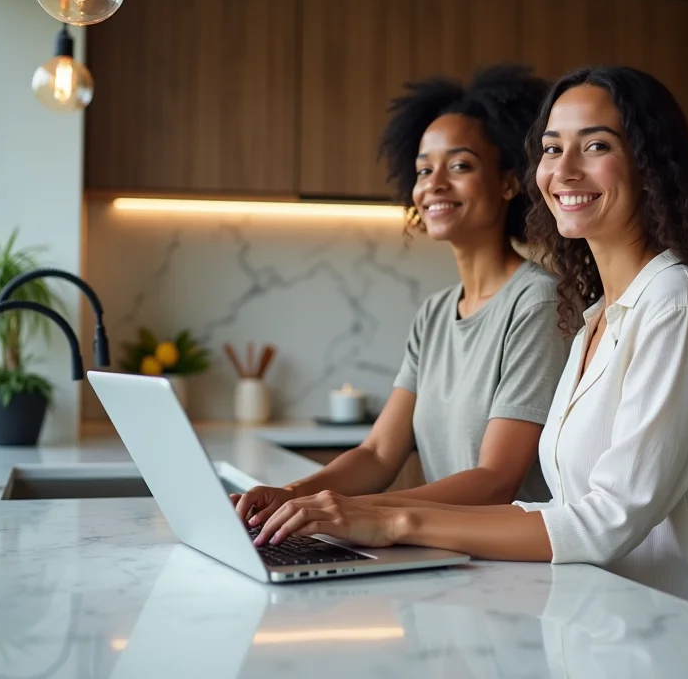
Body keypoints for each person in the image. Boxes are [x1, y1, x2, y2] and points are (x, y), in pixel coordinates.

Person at [251, 66, 688, 629]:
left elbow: (606, 519)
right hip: (613, 627)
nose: (564, 169)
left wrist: (392, 521)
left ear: (649, 166)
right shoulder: (595, 319)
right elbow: (562, 508)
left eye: (596, 145)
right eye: (552, 149)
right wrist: (328, 508)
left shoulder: (677, 303)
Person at [232, 65, 569, 524]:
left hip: (512, 557)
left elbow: (496, 480)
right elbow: (377, 453)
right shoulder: (435, 313)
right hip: (449, 549)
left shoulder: (538, 303)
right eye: (424, 170)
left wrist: (351, 511)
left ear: (510, 181)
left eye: (460, 166)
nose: (434, 184)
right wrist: (289, 494)